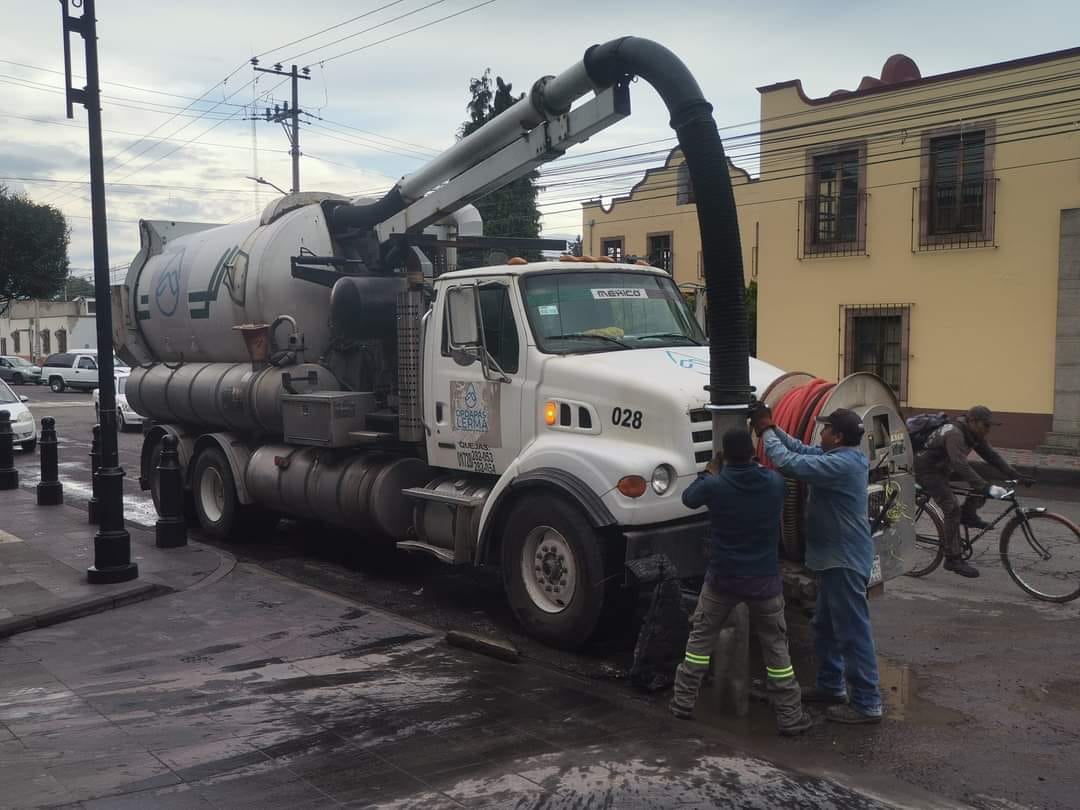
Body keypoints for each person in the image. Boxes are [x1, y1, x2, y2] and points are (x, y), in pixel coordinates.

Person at [670, 428, 813, 737]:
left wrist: (709, 472)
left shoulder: (715, 485)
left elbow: (688, 498)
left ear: (725, 456)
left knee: (699, 641)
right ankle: (790, 717)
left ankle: (683, 701)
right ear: (752, 453)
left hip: (722, 579)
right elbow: (779, 486)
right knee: (776, 649)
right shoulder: (774, 484)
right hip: (764, 581)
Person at [750, 404, 883, 725]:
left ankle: (867, 703)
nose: (819, 432)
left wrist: (766, 431)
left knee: (852, 631)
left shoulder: (842, 465)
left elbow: (789, 462)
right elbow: (798, 448)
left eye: (824, 429)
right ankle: (830, 686)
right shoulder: (840, 457)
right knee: (824, 626)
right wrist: (774, 428)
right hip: (834, 558)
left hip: (845, 560)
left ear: (836, 437)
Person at [914, 405, 1028, 578]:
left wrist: (1017, 475)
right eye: (986, 425)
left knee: (982, 479)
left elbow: (992, 457)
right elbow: (960, 464)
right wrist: (986, 488)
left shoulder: (974, 434)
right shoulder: (955, 433)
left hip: (943, 467)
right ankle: (953, 558)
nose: (988, 430)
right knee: (952, 507)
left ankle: (968, 515)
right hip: (926, 471)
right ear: (973, 421)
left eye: (990, 426)